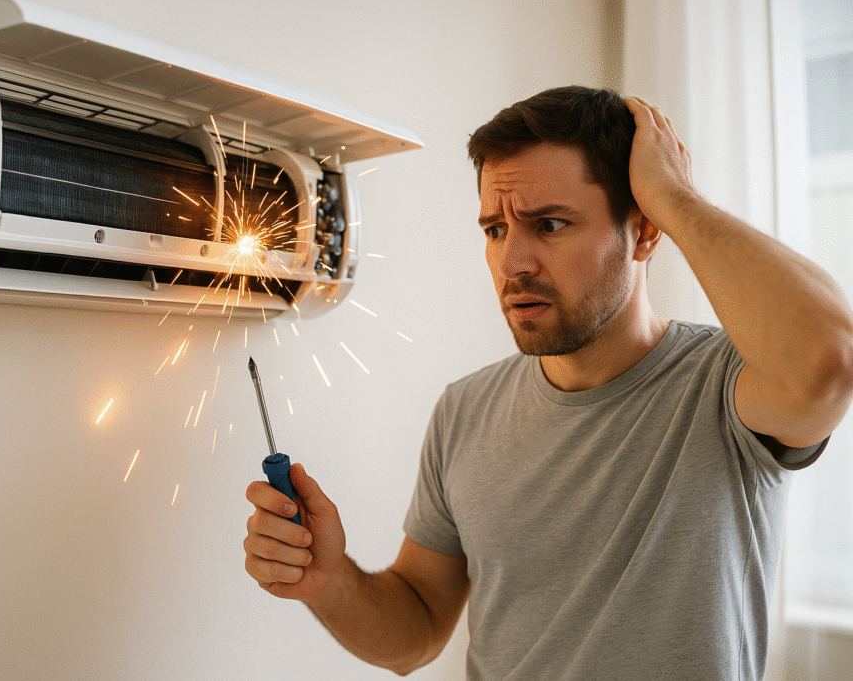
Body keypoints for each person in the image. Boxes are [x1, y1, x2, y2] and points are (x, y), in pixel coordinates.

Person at [242, 86, 853, 680]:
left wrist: (675, 198)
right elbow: (415, 634)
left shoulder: (727, 386)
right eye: (495, 230)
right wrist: (330, 581)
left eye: (550, 225)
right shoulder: (465, 410)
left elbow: (830, 358)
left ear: (643, 231)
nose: (513, 264)